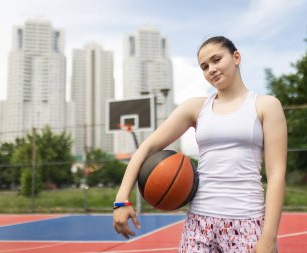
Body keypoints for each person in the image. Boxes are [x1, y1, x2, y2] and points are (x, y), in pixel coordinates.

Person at [113, 36, 287, 253]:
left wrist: (269, 237)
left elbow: (277, 173)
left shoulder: (266, 105)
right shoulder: (196, 108)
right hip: (199, 223)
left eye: (216, 60)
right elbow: (147, 147)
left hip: (247, 220)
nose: (211, 69)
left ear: (236, 57)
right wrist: (121, 200)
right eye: (205, 66)